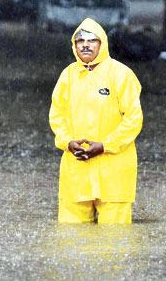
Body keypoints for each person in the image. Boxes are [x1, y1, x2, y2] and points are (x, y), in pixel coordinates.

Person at [49, 17, 143, 224]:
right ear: (74, 46)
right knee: (70, 239)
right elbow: (57, 116)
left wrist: (105, 146)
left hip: (115, 172)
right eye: (80, 41)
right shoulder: (67, 76)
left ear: (102, 44)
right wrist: (67, 142)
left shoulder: (122, 75)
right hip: (76, 169)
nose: (85, 45)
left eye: (92, 40)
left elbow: (134, 119)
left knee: (115, 241)